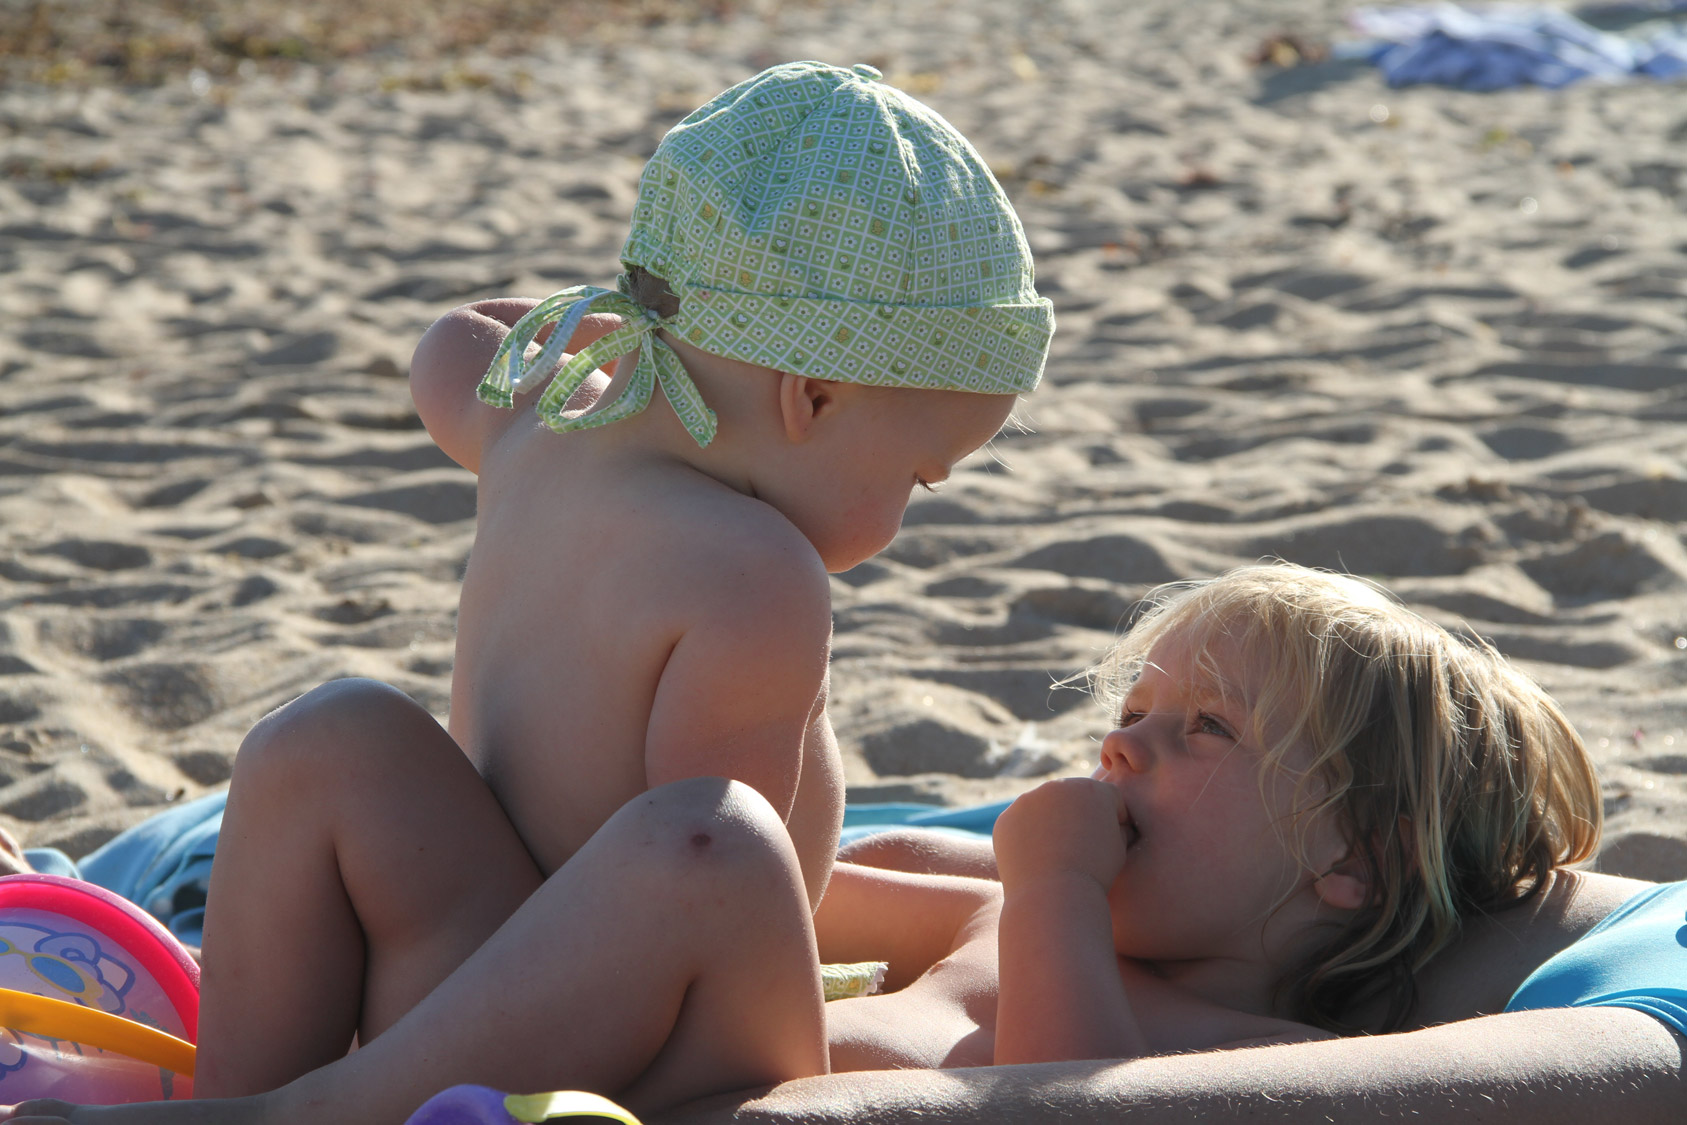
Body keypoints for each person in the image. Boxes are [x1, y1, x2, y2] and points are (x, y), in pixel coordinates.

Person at [7, 59, 1049, 1112]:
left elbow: (449, 344)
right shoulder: (755, 576)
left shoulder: (541, 416)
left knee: (326, 736)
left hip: (437, 983)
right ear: (811, 398)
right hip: (628, 1055)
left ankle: (250, 1090)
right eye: (917, 477)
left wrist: (622, 333)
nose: (907, 513)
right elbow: (701, 891)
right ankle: (293, 1114)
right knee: (725, 846)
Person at [17, 563, 1680, 1125]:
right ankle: (251, 1086)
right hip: (482, 1040)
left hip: (661, 1104)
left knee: (711, 855)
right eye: (1136, 706)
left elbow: (1058, 1095)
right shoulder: (990, 889)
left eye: (1205, 734)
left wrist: (1048, 886)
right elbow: (779, 861)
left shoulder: (1228, 1040)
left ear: (1352, 871)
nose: (1124, 744)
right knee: (340, 734)